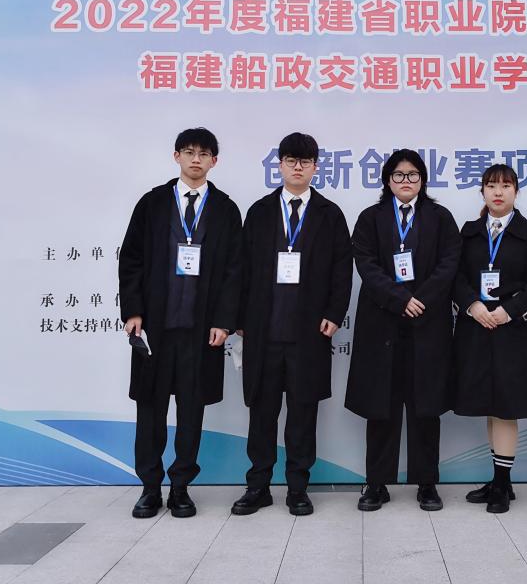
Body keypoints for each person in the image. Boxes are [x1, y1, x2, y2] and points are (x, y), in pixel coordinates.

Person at [119, 127, 242, 519]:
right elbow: (131, 259)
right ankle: (149, 488)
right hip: (155, 329)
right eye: (189, 152)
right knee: (150, 410)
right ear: (176, 156)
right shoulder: (153, 203)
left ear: (214, 161)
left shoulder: (225, 209)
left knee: (191, 412)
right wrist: (133, 310)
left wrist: (224, 321)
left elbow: (234, 271)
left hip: (200, 331)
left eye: (203, 154)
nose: (195, 159)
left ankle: (181, 487)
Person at [231, 132, 353, 517]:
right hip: (263, 332)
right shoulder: (260, 212)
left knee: (303, 415)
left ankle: (298, 488)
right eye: (290, 160)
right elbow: (241, 268)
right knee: (261, 415)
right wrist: (240, 319)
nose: (298, 167)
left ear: (316, 167)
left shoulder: (330, 214)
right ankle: (258, 486)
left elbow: (342, 270)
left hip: (309, 333)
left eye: (305, 161)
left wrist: (334, 313)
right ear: (280, 165)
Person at [345, 149, 461, 512]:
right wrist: (400, 299)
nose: (406, 181)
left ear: (423, 180)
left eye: (413, 175)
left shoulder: (440, 218)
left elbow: (450, 263)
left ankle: (427, 483)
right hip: (382, 323)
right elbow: (366, 264)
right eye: (398, 175)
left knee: (426, 408)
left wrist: (420, 299)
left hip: (428, 323)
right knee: (381, 407)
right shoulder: (371, 218)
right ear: (387, 180)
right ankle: (376, 483)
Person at [453, 164, 527, 513]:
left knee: (506, 407)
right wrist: (472, 305)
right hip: (476, 330)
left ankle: (502, 484)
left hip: (512, 331)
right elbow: (455, 276)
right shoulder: (469, 232)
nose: (498, 192)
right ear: (482, 191)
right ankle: (499, 480)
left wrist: (509, 310)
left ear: (516, 192)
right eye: (492, 186)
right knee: (489, 406)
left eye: (506, 186)